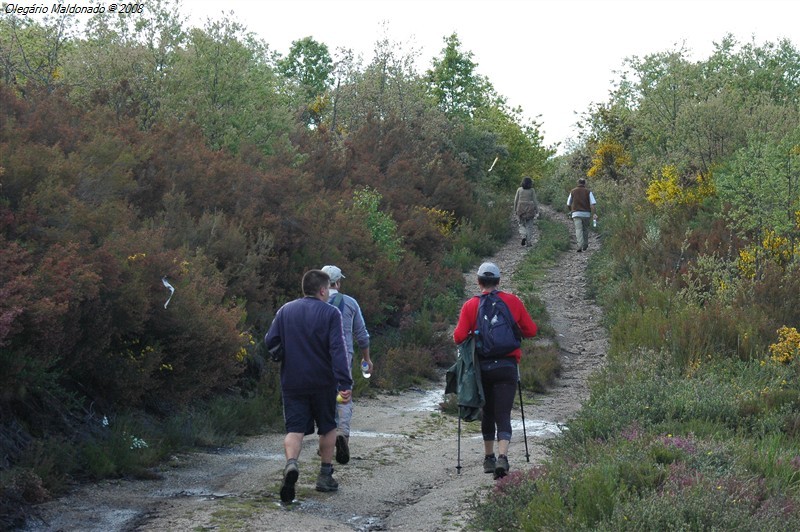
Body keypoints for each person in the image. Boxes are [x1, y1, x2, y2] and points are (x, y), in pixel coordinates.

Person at [264, 269, 353, 504]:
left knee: (294, 429)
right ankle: (325, 475)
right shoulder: (331, 313)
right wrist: (344, 382)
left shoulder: (285, 311)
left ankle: (291, 464)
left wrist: (284, 356)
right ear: (323, 290)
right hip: (323, 382)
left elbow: (270, 340)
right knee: (328, 427)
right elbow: (338, 349)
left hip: (292, 381)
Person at [453, 262, 538, 479]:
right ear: (499, 281)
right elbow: (532, 331)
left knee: (487, 412)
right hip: (507, 367)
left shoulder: (471, 305)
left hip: (483, 368)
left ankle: (489, 458)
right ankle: (503, 457)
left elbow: (458, 337)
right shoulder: (512, 301)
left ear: (479, 281)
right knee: (503, 413)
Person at [321, 264, 372, 465]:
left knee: (324, 398)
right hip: (344, 357)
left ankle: (325, 443)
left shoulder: (316, 303)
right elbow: (361, 334)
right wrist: (366, 358)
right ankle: (342, 434)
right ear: (338, 283)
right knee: (343, 397)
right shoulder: (350, 303)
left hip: (320, 358)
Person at [566, 178, 598, 252]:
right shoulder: (588, 192)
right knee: (585, 229)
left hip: (576, 213)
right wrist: (594, 213)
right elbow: (593, 204)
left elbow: (568, 203)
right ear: (585, 183)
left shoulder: (573, 191)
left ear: (578, 183)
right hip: (586, 214)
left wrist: (571, 211)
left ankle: (579, 245)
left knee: (578, 229)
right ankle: (585, 244)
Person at [514, 176, 539, 247]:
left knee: (521, 224)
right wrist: (537, 210)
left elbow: (516, 200)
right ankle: (529, 242)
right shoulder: (532, 190)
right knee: (529, 226)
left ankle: (523, 236)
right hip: (530, 209)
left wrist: (515, 209)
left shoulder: (519, 189)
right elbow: (535, 201)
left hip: (520, 208)